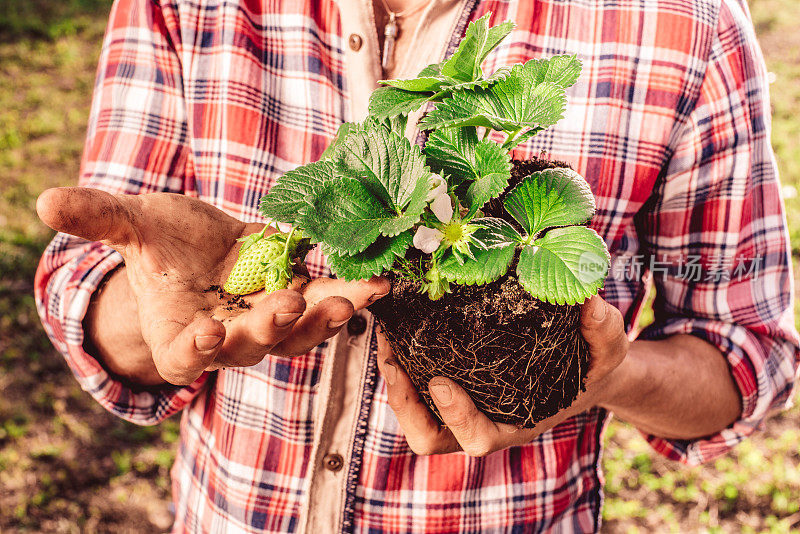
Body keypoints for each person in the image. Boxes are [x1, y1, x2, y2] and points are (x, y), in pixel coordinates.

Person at [34, 0, 799, 531]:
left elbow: (746, 354)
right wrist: (153, 311)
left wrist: (602, 375)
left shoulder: (688, 24)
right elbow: (85, 284)